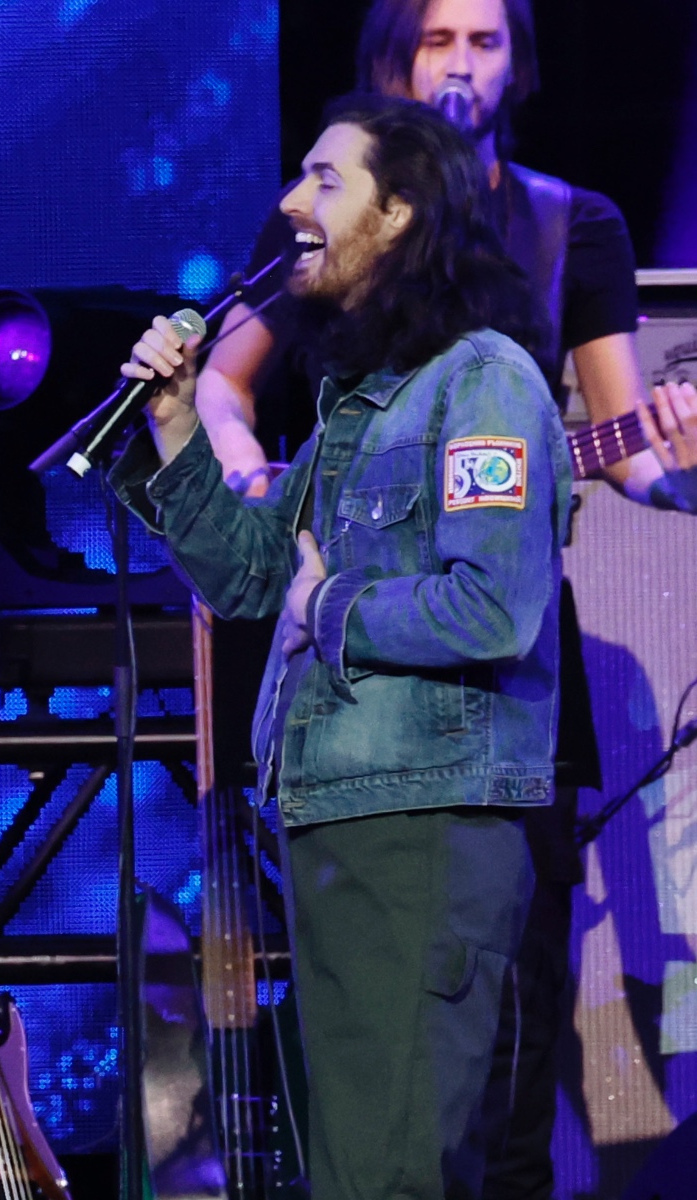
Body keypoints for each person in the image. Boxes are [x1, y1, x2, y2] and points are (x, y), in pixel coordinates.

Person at [193, 3, 697, 1194]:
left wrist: (670, 466)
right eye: (438, 39)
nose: (461, 63)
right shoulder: (337, 214)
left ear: (520, 62)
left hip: (482, 671)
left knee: (502, 1010)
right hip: (351, 696)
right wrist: (243, 470)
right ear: (390, 57)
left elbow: (618, 442)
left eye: (484, 40)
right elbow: (228, 378)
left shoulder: (572, 223)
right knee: (366, 1041)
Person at [114, 95, 566, 1198]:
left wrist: (332, 611)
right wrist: (176, 424)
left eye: (324, 177)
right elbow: (252, 577)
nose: (288, 201)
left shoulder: (482, 382)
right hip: (338, 829)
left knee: (389, 1173)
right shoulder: (361, 404)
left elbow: (489, 610)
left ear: (401, 212)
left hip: (418, 833)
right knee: (355, 1169)